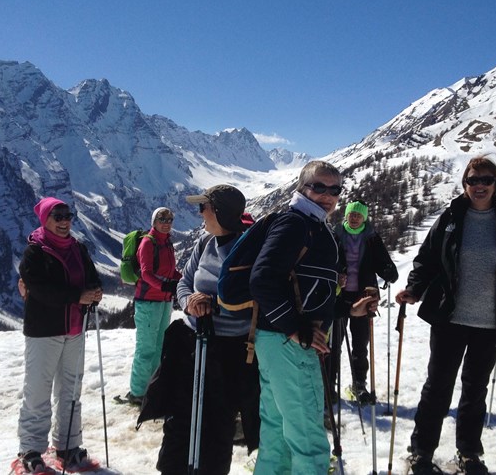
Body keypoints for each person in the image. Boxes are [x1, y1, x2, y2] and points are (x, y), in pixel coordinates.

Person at [395, 157, 496, 475]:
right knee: (438, 387)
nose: (480, 186)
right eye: (473, 180)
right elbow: (427, 259)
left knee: (475, 390)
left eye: (486, 180)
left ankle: (469, 453)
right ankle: (421, 452)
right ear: (465, 184)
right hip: (450, 318)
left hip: (490, 322)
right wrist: (414, 290)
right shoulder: (450, 218)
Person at [154, 184, 260, 475]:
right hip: (192, 343)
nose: (199, 213)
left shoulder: (249, 250)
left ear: (220, 212)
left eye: (204, 208)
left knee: (218, 424)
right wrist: (190, 302)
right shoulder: (204, 243)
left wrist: (212, 303)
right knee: (179, 418)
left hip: (227, 350)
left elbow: (253, 297)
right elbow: (184, 283)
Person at [248, 160, 342, 474]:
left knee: (277, 429)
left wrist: (347, 309)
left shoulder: (311, 225)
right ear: (301, 189)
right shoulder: (296, 224)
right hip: (289, 345)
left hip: (275, 341)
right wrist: (294, 329)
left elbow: (310, 289)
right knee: (308, 438)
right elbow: (262, 279)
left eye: (334, 189)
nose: (327, 195)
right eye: (318, 187)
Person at [16, 197, 103, 473]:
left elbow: (92, 277)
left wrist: (95, 292)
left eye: (68, 215)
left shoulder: (78, 248)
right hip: (44, 331)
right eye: (58, 216)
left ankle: (69, 445)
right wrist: (79, 296)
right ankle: (30, 450)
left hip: (75, 329)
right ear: (45, 219)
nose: (65, 221)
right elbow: (41, 291)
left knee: (71, 390)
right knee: (38, 391)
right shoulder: (35, 253)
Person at [328, 200, 398, 404]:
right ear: (346, 215)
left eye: (359, 214)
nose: (355, 217)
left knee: (360, 345)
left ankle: (359, 384)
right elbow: (327, 261)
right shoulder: (336, 234)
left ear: (365, 217)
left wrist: (388, 271)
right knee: (334, 344)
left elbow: (383, 261)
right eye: (352, 214)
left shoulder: (371, 238)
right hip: (339, 297)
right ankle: (330, 385)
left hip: (363, 298)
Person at [125, 207, 182, 405]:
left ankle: (152, 387)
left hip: (164, 301)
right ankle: (137, 392)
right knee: (146, 349)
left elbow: (171, 270)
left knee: (159, 347)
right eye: (162, 218)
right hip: (148, 302)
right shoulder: (148, 243)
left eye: (170, 219)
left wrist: (181, 280)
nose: (166, 222)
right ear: (154, 221)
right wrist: (165, 285)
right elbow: (146, 272)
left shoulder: (167, 242)